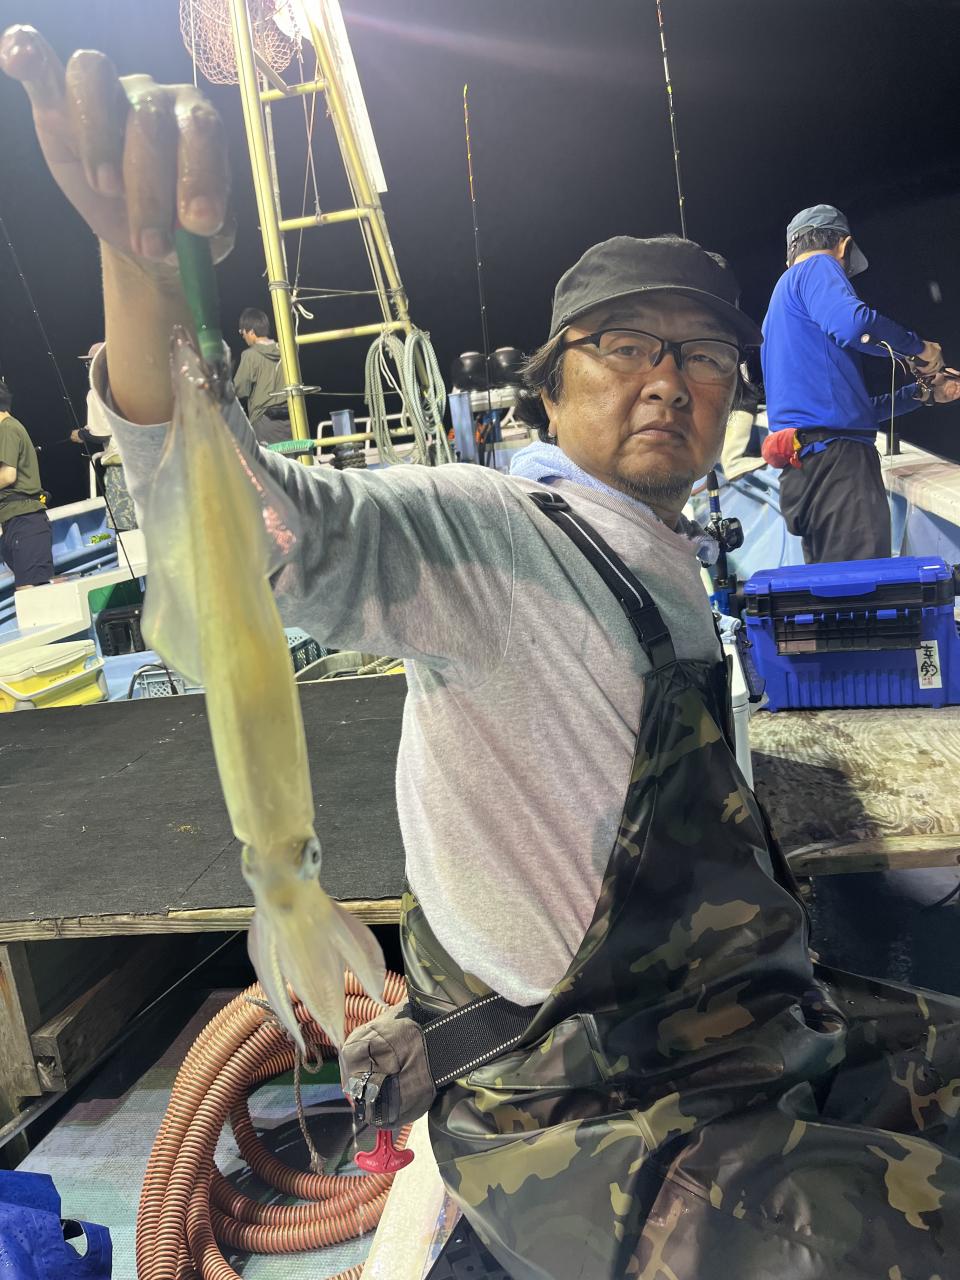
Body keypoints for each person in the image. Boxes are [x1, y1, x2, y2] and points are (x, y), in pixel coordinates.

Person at [7, 26, 960, 1280]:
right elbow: (252, 529)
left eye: (701, 352)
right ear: (550, 391)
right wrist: (144, 287)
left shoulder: (668, 557)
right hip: (587, 1104)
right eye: (624, 346)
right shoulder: (492, 529)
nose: (668, 379)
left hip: (742, 1030)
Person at [761, 203, 960, 562]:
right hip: (838, 470)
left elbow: (847, 411)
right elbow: (855, 325)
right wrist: (919, 349)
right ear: (845, 246)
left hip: (806, 471)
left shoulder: (779, 305)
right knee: (862, 586)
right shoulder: (818, 266)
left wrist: (922, 393)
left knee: (832, 587)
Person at [70, 341, 137, 530]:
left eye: (89, 362)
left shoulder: (97, 392)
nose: (88, 367)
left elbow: (100, 433)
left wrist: (81, 434)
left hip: (121, 467)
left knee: (124, 527)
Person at [0, 378, 53, 588]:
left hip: (25, 522)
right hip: (15, 522)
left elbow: (8, 475)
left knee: (29, 593)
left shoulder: (7, 428)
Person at [234, 307, 292, 446]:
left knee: (269, 459)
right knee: (294, 457)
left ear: (251, 332)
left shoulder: (250, 355)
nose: (243, 336)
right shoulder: (286, 350)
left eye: (242, 332)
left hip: (264, 421)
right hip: (292, 418)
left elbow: (240, 390)